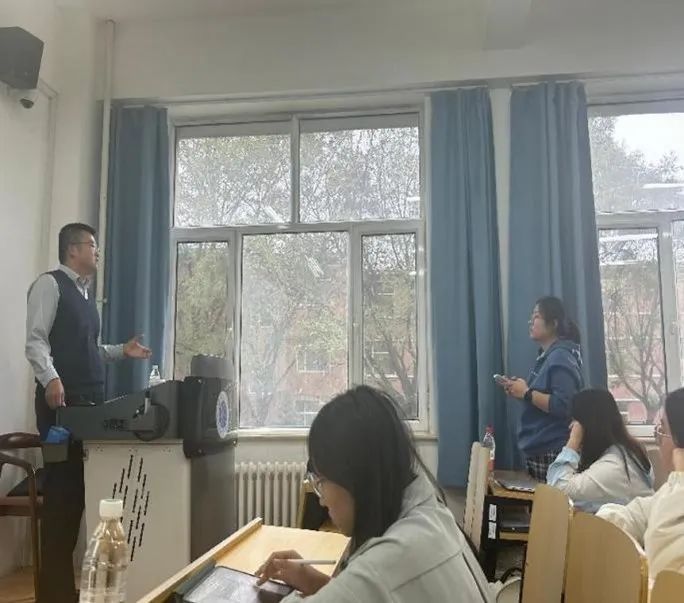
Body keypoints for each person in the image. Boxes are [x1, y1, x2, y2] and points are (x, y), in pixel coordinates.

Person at [255, 386, 493, 602]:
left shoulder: (387, 563)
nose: (322, 500)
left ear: (354, 477)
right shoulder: (433, 515)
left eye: (321, 482)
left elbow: (372, 585)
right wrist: (316, 583)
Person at [25, 223, 152, 603]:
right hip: (61, 408)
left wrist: (120, 351)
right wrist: (51, 378)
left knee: (80, 497)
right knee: (61, 499)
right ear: (73, 249)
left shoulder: (84, 295)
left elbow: (88, 350)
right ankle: (53, 595)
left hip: (89, 407)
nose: (97, 252)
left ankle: (66, 590)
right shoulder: (49, 285)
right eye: (92, 245)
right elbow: (35, 341)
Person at [597, 388, 684, 578]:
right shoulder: (669, 492)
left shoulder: (614, 462)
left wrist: (680, 480)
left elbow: (666, 569)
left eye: (662, 431)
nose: (659, 441)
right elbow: (634, 514)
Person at [499, 296, 584, 480]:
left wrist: (526, 393)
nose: (531, 321)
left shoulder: (560, 356)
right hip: (540, 447)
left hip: (552, 447)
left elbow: (563, 405)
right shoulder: (548, 356)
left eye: (536, 316)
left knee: (549, 500)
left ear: (553, 323)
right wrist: (520, 390)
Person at [546, 389, 654, 512]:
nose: (571, 427)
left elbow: (556, 491)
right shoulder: (626, 451)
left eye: (576, 422)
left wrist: (573, 442)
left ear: (589, 424)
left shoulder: (614, 465)